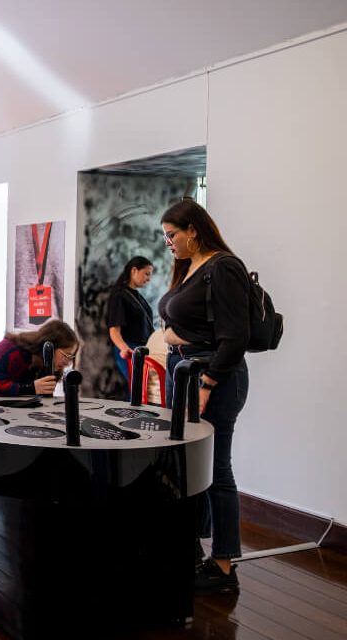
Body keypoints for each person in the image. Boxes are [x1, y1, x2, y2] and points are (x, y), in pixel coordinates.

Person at [159, 197, 250, 596]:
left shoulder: (224, 267)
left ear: (193, 229)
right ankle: (190, 548)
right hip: (185, 373)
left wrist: (208, 385)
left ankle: (224, 565)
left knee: (217, 471)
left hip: (212, 379)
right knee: (185, 468)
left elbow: (236, 338)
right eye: (165, 238)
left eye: (172, 235)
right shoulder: (191, 268)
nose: (169, 244)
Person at [0, 319, 79, 397]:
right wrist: (31, 388)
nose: (68, 363)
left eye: (71, 357)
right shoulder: (10, 348)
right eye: (66, 355)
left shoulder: (50, 365)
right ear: (50, 344)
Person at [106, 256, 155, 398]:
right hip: (129, 349)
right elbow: (114, 329)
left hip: (141, 350)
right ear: (134, 270)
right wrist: (124, 348)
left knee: (141, 389)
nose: (148, 279)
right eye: (146, 273)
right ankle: (135, 418)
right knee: (137, 388)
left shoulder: (136, 295)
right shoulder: (119, 295)